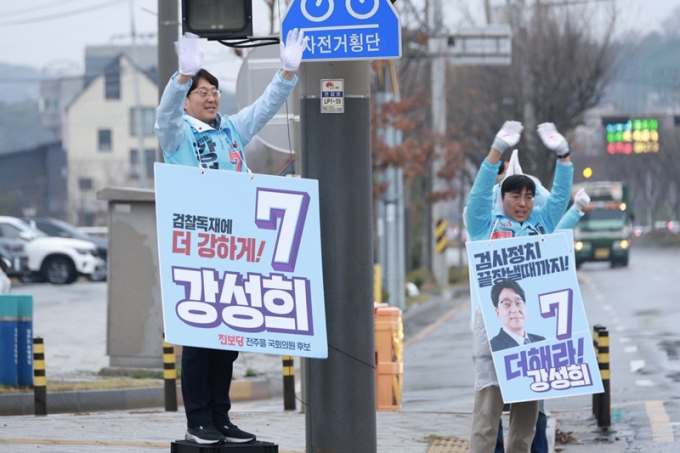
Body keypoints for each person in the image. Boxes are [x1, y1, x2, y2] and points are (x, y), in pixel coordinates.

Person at [154, 29, 307, 445]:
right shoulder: (179, 136)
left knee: (226, 340)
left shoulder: (231, 131)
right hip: (196, 251)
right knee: (199, 341)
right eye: (201, 91)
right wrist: (181, 77)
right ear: (188, 99)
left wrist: (287, 72)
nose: (211, 97)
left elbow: (265, 107)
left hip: (235, 253)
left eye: (214, 91)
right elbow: (163, 116)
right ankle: (197, 420)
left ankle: (221, 418)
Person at [465, 120, 573, 453]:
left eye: (528, 195)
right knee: (487, 416)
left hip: (532, 333)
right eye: (515, 195)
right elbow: (479, 194)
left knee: (526, 422)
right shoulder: (484, 224)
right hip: (493, 335)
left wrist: (563, 156)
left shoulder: (540, 224)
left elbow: (557, 200)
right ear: (503, 197)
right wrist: (496, 150)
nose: (523, 202)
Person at [489, 279, 546, 352]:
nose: (515, 310)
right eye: (506, 304)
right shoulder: (492, 348)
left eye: (518, 302)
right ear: (497, 312)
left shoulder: (541, 341)